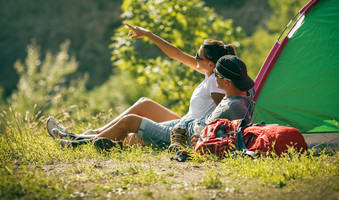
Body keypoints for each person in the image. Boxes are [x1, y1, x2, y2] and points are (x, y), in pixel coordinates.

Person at [47, 23, 237, 145]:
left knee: (133, 130)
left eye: (198, 57)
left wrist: (201, 137)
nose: (194, 59)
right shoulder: (208, 73)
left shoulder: (215, 82)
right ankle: (89, 135)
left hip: (188, 128)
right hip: (184, 122)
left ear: (210, 63)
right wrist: (149, 34)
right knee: (144, 103)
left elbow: (223, 110)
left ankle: (78, 139)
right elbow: (177, 54)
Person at [49, 55, 255, 152]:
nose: (215, 80)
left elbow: (212, 137)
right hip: (183, 126)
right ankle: (79, 139)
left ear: (227, 82)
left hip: (181, 135)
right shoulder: (244, 93)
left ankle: (75, 145)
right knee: (130, 134)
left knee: (131, 121)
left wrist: (189, 141)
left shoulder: (232, 106)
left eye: (217, 76)